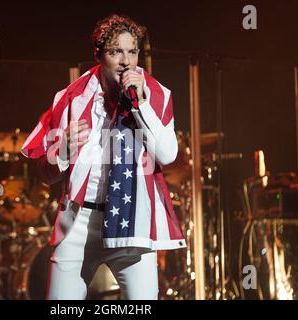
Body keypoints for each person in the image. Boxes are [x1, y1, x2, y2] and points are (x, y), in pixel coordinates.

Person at [21, 14, 186, 300]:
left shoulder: (155, 94)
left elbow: (168, 154)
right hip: (79, 221)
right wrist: (63, 149)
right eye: (115, 51)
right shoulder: (70, 99)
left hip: (131, 217)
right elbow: (45, 175)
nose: (126, 61)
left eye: (132, 51)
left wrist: (140, 104)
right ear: (98, 54)